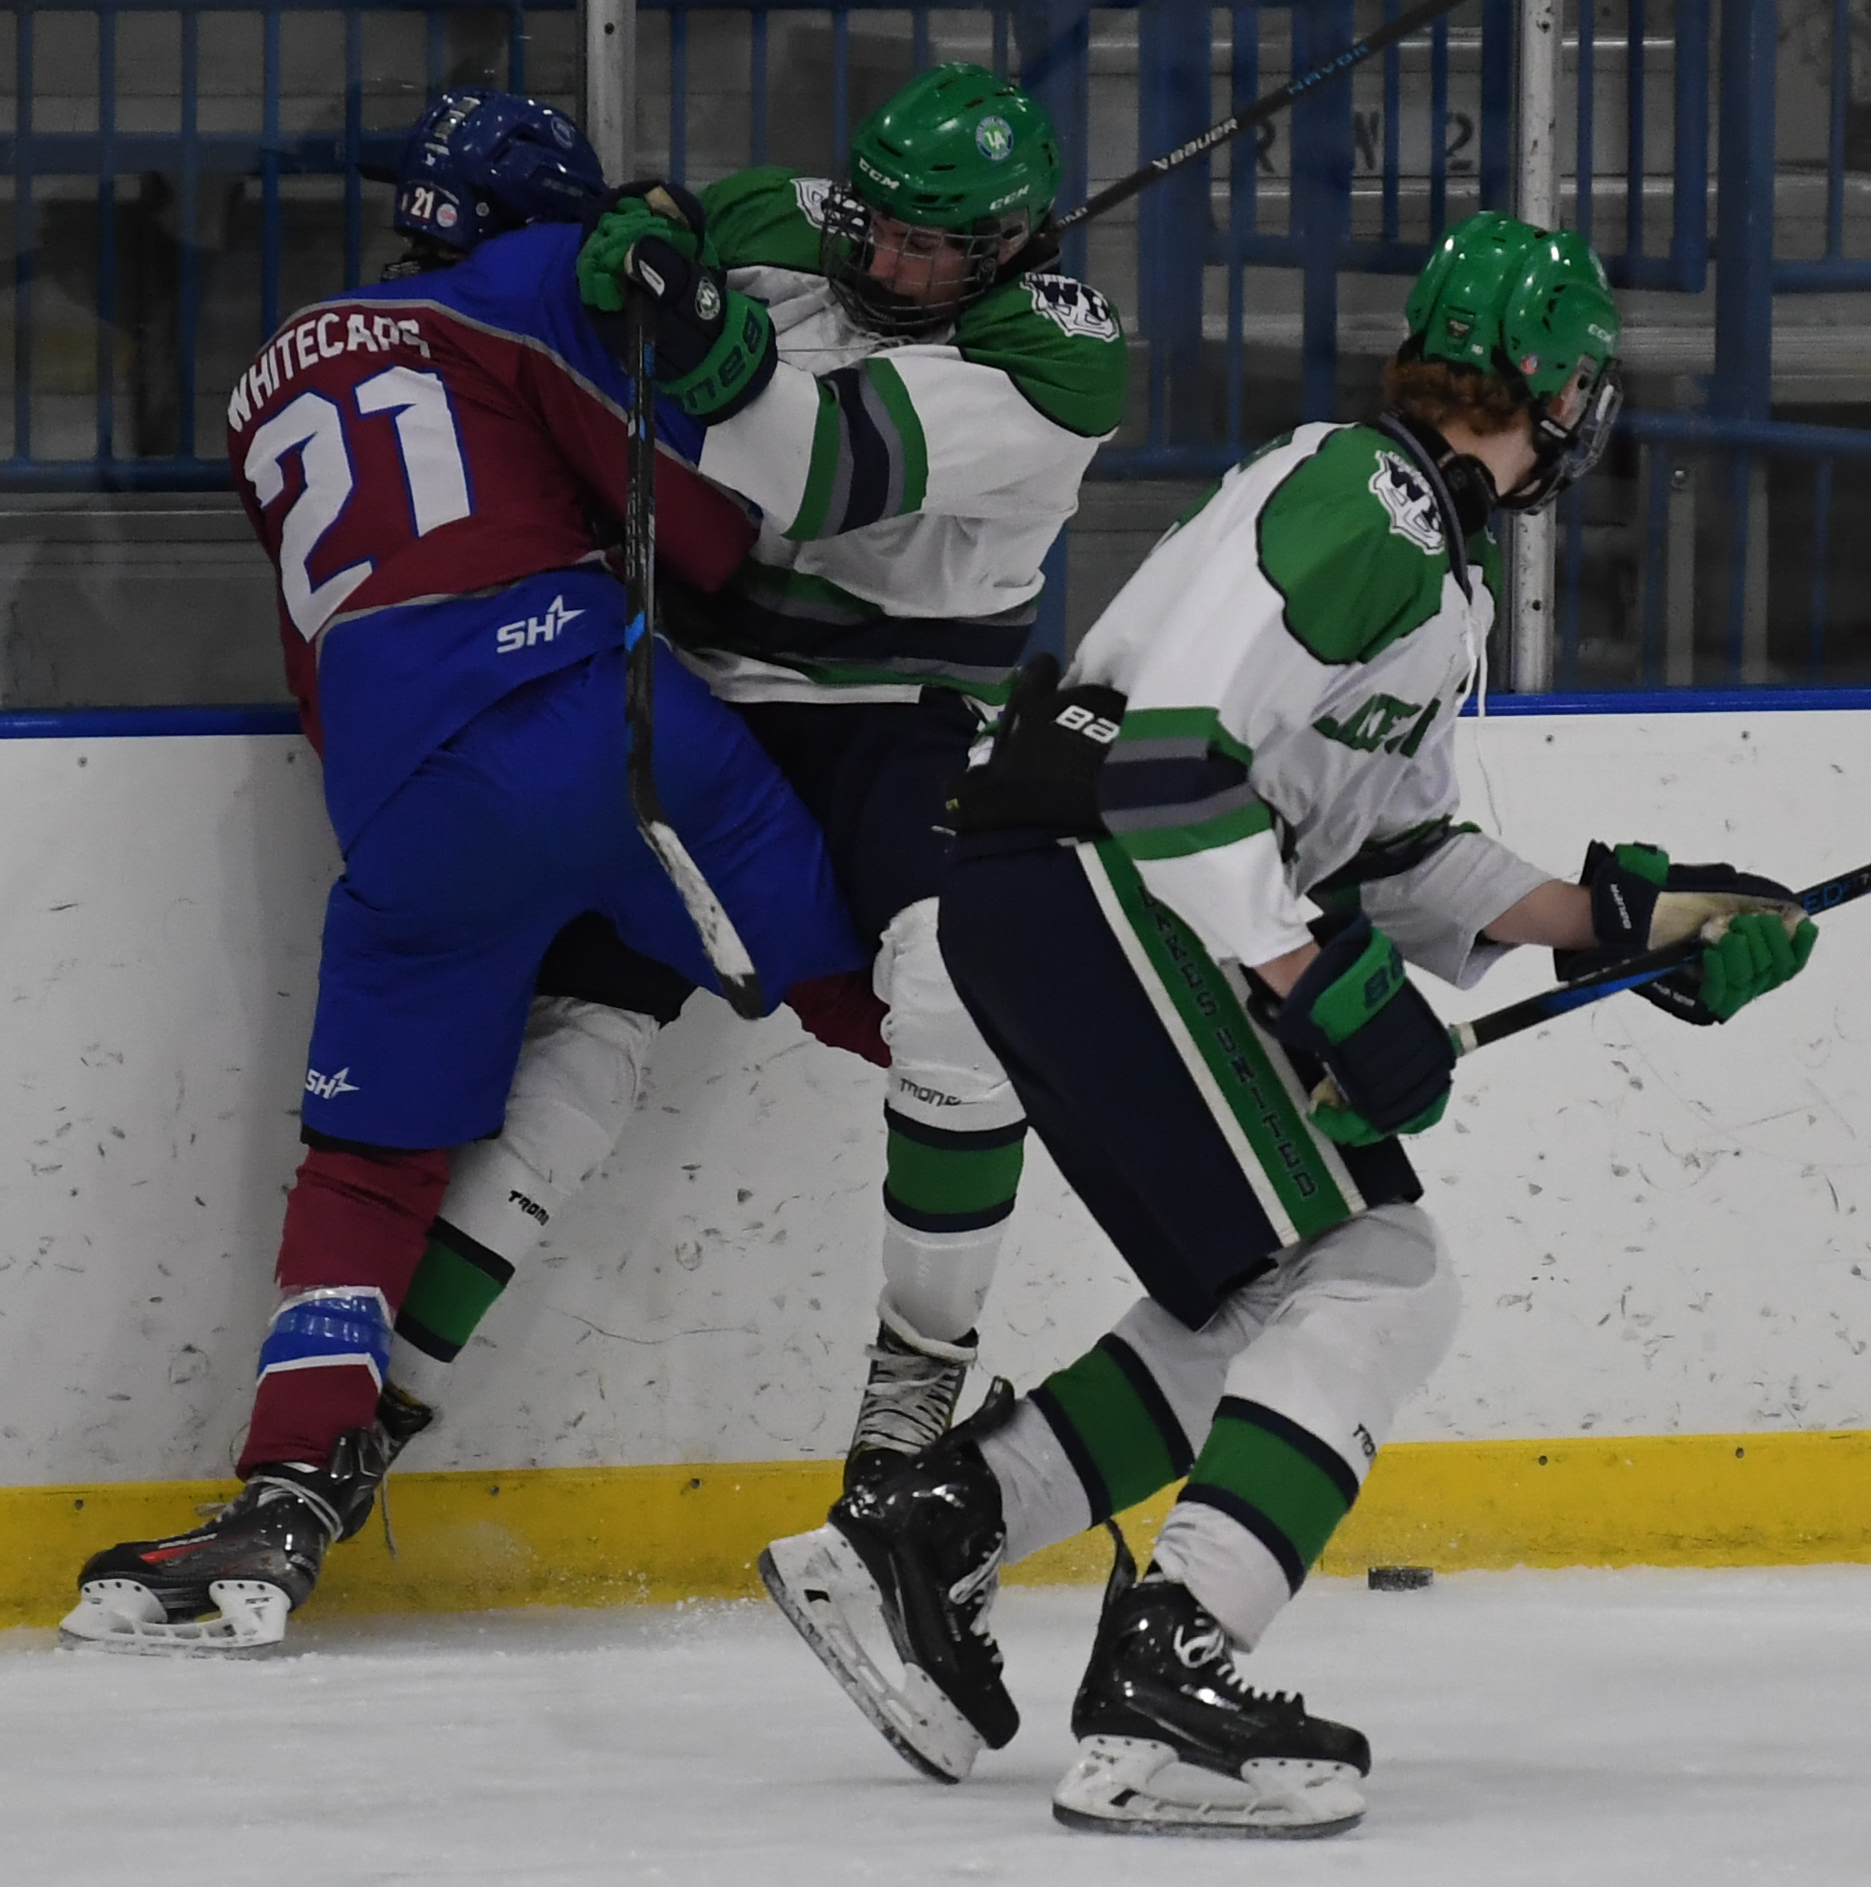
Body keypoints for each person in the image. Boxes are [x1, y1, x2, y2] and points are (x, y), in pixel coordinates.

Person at [759, 212, 1819, 1833]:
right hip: (1103, 885)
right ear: (1543, 390)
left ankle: (931, 1531)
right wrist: (1307, 977)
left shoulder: (1421, 556)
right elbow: (1168, 761)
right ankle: (1171, 1672)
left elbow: (1386, 854)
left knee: (1268, 1297)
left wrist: (1625, 923)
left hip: (1075, 894)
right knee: (1381, 1272)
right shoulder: (1369, 501)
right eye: (1582, 389)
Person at [59, 89, 868, 1653]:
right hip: (601, 721)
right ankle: (1186, 1137)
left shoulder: (266, 379)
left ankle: (288, 1494)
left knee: (366, 1168)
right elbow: (700, 535)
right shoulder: (530, 291)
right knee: (878, 999)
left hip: (408, 801)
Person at [380, 62, 1129, 1489]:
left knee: (956, 999)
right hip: (702, 695)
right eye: (885, 229)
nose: (894, 261)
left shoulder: (1060, 359)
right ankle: (385, 1413)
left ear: (1011, 248)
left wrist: (706, 328)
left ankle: (911, 1401)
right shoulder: (804, 222)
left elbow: (821, 468)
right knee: (574, 1042)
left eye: (932, 248)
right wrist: (649, 227)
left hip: (897, 719)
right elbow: (670, 220)